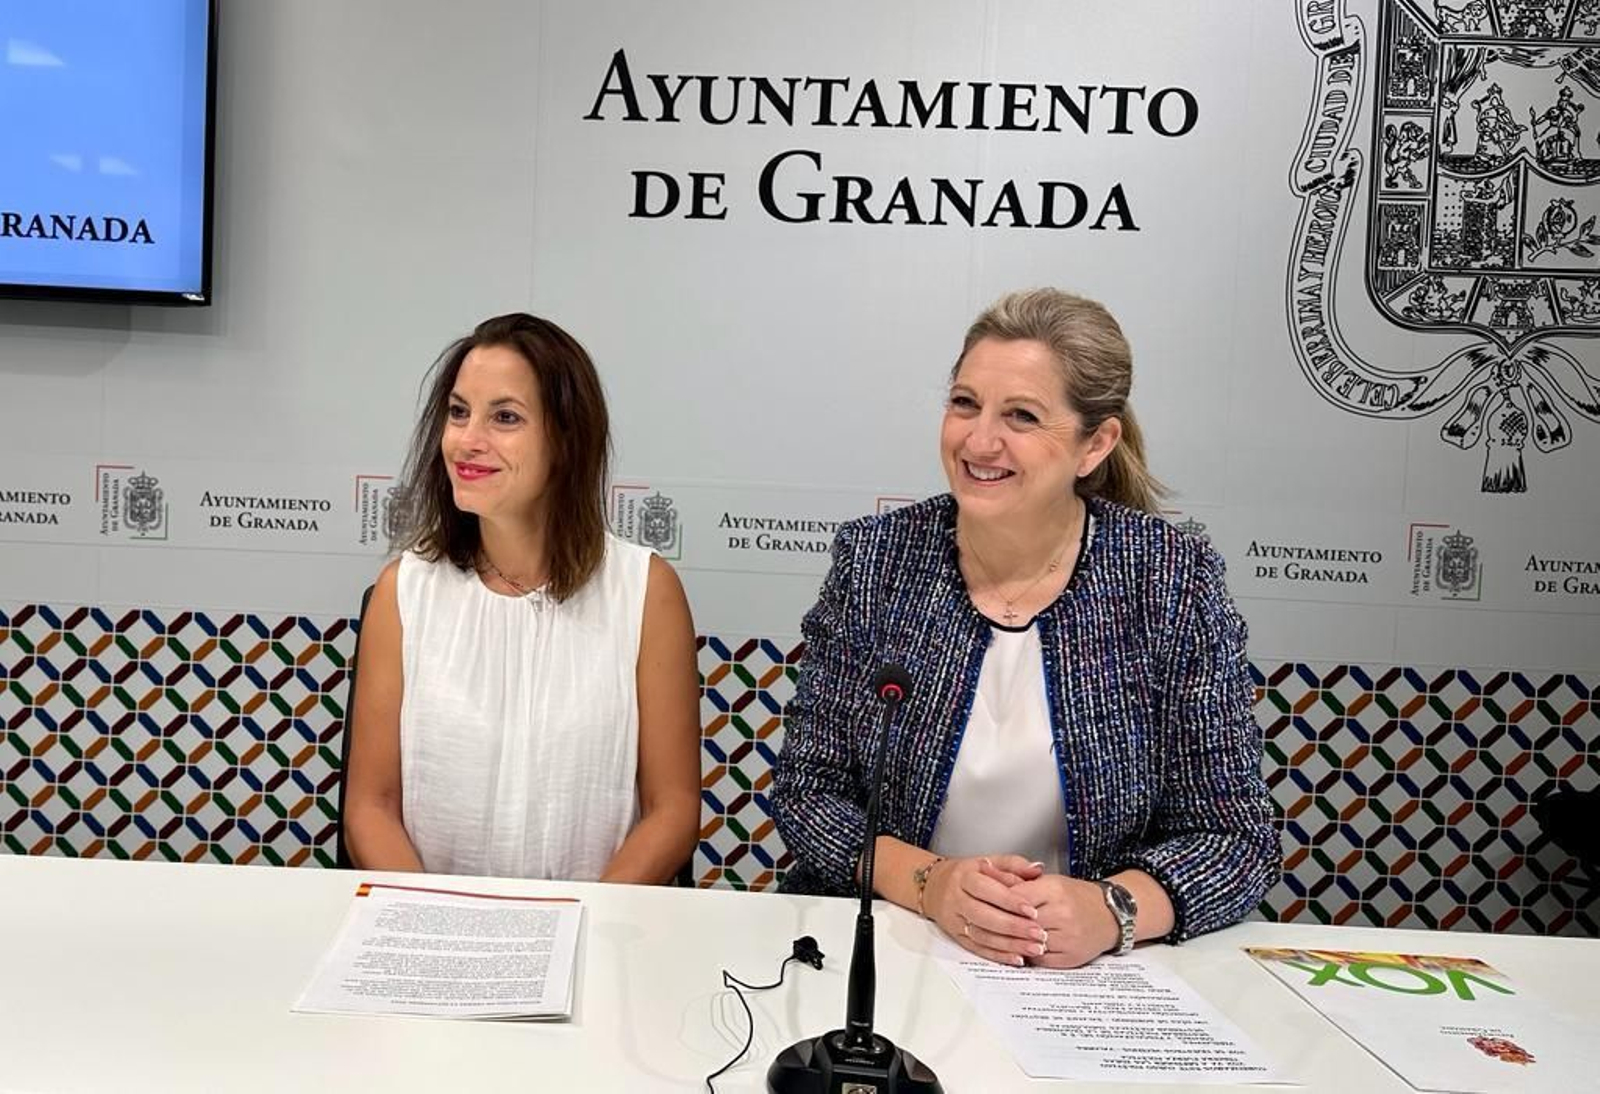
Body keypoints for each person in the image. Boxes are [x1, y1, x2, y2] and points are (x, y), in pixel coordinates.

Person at [771, 288, 1280, 968]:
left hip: (1088, 973)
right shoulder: (877, 561)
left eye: (1022, 416)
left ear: (1094, 443)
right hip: (893, 946)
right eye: (964, 403)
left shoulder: (1169, 578)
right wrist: (931, 884)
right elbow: (808, 796)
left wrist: (1111, 909)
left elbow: (1235, 837)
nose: (980, 441)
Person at [343, 313, 700, 883]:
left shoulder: (645, 590)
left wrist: (580, 920)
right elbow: (370, 807)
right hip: (433, 939)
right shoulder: (402, 591)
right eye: (458, 412)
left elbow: (673, 809)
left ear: (566, 440)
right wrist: (429, 921)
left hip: (593, 934)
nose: (467, 440)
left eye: (504, 417)